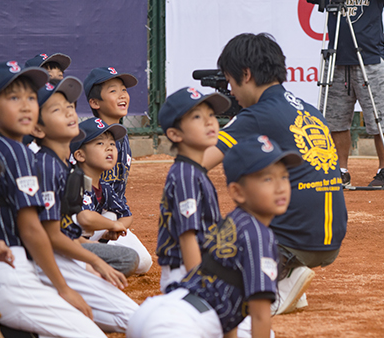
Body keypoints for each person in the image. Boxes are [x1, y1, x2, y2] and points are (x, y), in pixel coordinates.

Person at [203, 33, 347, 315]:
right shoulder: (310, 110)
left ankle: (276, 281)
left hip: (294, 241)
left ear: (246, 74)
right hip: (329, 240)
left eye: (231, 83)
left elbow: (200, 162)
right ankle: (287, 275)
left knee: (212, 251)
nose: (231, 92)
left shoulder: (256, 114)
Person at [0, 60, 106, 337]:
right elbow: (32, 228)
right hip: (7, 271)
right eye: (13, 98)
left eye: (31, 98)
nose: (26, 106)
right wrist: (63, 289)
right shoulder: (15, 151)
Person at [127, 135, 301, 338]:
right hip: (177, 326)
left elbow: (230, 317)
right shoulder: (261, 236)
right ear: (238, 192)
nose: (280, 187)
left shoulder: (233, 222)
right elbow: (260, 316)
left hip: (154, 312)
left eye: (284, 177)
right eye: (268, 179)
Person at [31, 77, 139, 332]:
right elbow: (47, 235)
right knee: (135, 320)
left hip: (69, 253)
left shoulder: (66, 169)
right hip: (50, 262)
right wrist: (93, 263)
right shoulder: (45, 166)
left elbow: (68, 230)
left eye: (70, 107)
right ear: (37, 128)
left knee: (132, 307)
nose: (70, 112)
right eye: (57, 109)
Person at [298, 0, 384, 187]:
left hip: (371, 59)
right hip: (337, 62)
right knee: (337, 121)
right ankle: (340, 170)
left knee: (379, 120)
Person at [155, 86, 230, 292]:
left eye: (211, 115)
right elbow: (188, 237)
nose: (210, 122)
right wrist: (201, 288)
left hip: (199, 270)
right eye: (197, 117)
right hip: (185, 275)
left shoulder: (194, 171)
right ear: (175, 134)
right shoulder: (185, 175)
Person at [83, 66, 152, 274]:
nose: (122, 95)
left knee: (144, 262)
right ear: (95, 103)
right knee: (111, 218)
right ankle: (78, 255)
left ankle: (95, 255)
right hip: (82, 220)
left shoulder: (122, 137)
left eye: (124, 90)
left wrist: (119, 223)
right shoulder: (87, 139)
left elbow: (121, 205)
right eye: (113, 91)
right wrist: (111, 223)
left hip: (109, 220)